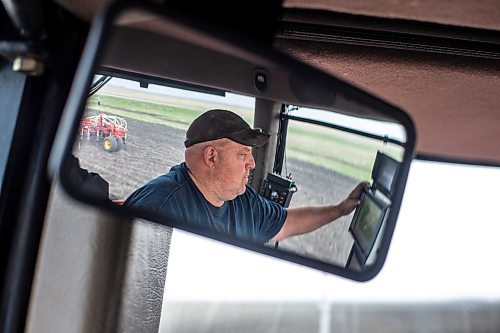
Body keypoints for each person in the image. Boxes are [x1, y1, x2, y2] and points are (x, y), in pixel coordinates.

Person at [124, 109, 367, 243]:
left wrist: (340, 209)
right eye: (243, 154)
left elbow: (286, 223)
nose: (251, 163)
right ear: (211, 158)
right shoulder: (159, 208)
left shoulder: (242, 201)